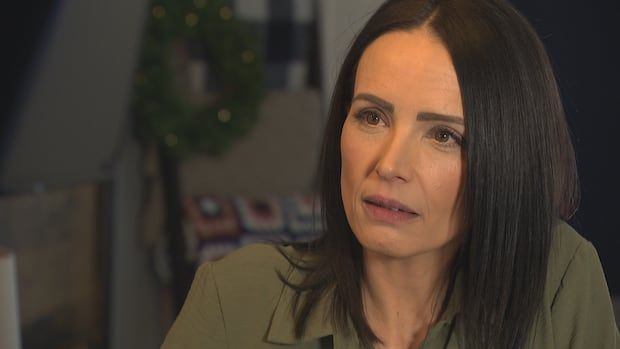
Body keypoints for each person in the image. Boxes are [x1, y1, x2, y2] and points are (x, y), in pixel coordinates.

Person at [161, 0, 620, 348]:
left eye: (443, 135)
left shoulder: (559, 279)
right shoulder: (234, 297)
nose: (389, 166)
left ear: (507, 157)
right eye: (372, 117)